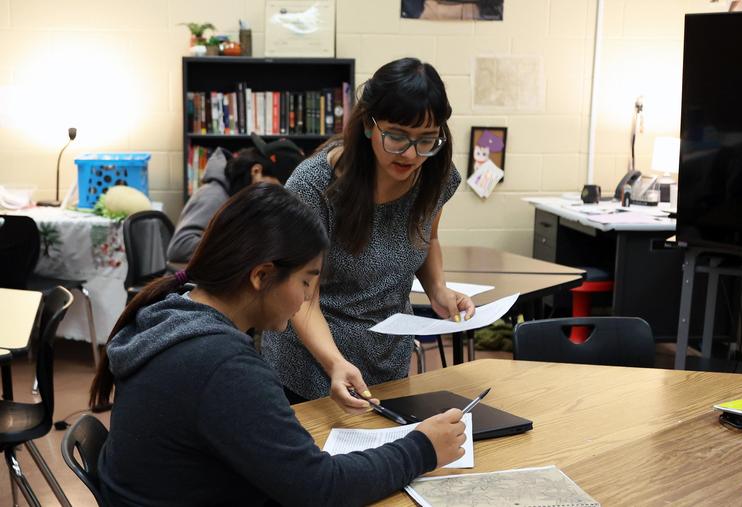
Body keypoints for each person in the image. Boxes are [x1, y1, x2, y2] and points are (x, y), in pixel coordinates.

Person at [89, 184, 467, 507]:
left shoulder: (172, 314)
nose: (307, 299)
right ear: (262, 276)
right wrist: (421, 447)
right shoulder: (221, 365)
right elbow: (319, 489)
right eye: (306, 281)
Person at [262, 57, 475, 411]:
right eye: (396, 136)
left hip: (387, 360)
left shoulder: (436, 173)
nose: (411, 154)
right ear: (367, 125)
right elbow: (301, 297)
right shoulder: (314, 187)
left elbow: (428, 237)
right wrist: (334, 363)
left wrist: (439, 290)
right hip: (310, 366)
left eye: (426, 139)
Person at [166, 135, 304, 263]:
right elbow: (179, 247)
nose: (277, 199)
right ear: (256, 171)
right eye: (276, 189)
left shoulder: (246, 201)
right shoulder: (214, 196)